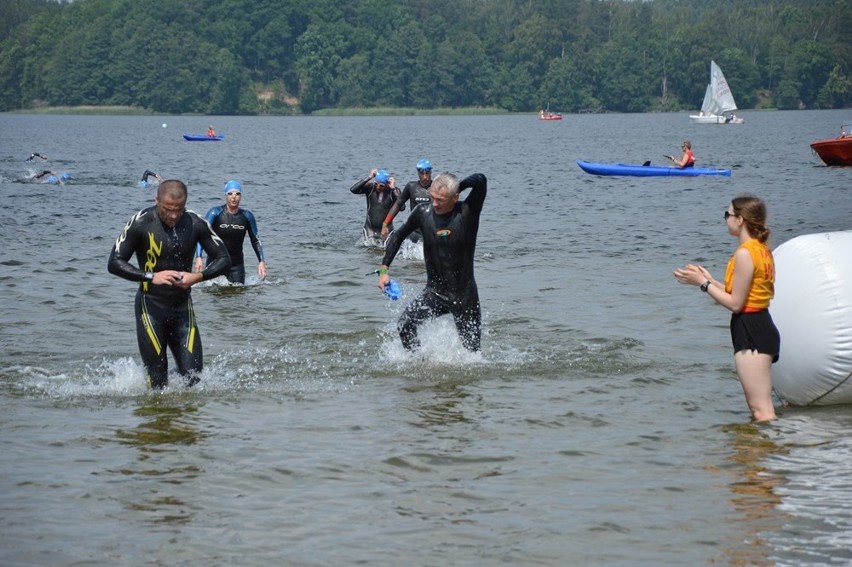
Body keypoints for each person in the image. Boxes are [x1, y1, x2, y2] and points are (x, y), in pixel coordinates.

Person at [108, 179, 231, 389]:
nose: (174, 215)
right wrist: (150, 276)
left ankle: (185, 419)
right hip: (151, 308)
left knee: (193, 377)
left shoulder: (195, 222)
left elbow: (224, 259)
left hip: (183, 309)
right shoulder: (141, 222)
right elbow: (114, 262)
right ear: (156, 200)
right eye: (168, 209)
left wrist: (197, 277)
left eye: (179, 210)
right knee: (158, 382)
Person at [673, 194, 779, 422]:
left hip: (751, 329)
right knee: (762, 408)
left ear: (740, 220)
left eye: (727, 214)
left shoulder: (744, 253)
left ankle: (767, 454)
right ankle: (759, 453)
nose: (725, 219)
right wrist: (709, 280)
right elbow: (740, 294)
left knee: (761, 411)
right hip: (760, 325)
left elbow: (736, 304)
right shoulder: (760, 249)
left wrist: (702, 284)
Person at [377, 172, 487, 352]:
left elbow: (480, 180)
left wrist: (457, 185)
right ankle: (416, 363)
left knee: (472, 352)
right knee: (405, 325)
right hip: (435, 293)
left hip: (465, 296)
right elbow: (398, 236)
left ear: (455, 197)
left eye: (441, 200)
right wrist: (384, 270)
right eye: (432, 198)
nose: (434, 204)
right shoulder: (422, 213)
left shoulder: (468, 211)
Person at [194, 180, 267, 284]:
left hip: (236, 264)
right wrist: (199, 257)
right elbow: (202, 235)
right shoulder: (215, 213)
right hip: (216, 262)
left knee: (238, 294)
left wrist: (261, 262)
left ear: (241, 196)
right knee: (212, 294)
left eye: (237, 194)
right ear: (225, 195)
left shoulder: (247, 216)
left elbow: (255, 240)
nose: (234, 197)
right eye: (230, 194)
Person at [381, 158, 433, 241]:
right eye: (422, 174)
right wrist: (385, 224)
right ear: (418, 173)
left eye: (427, 173)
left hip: (431, 232)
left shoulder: (436, 187)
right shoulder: (411, 186)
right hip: (414, 231)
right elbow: (398, 205)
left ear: (431, 172)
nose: (425, 177)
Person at [349, 168, 401, 245]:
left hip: (386, 229)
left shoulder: (393, 191)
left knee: (386, 252)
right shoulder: (370, 188)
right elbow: (353, 190)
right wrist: (369, 177)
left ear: (387, 184)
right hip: (369, 228)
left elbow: (402, 207)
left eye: (381, 186)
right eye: (376, 184)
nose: (378, 187)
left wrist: (393, 189)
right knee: (367, 252)